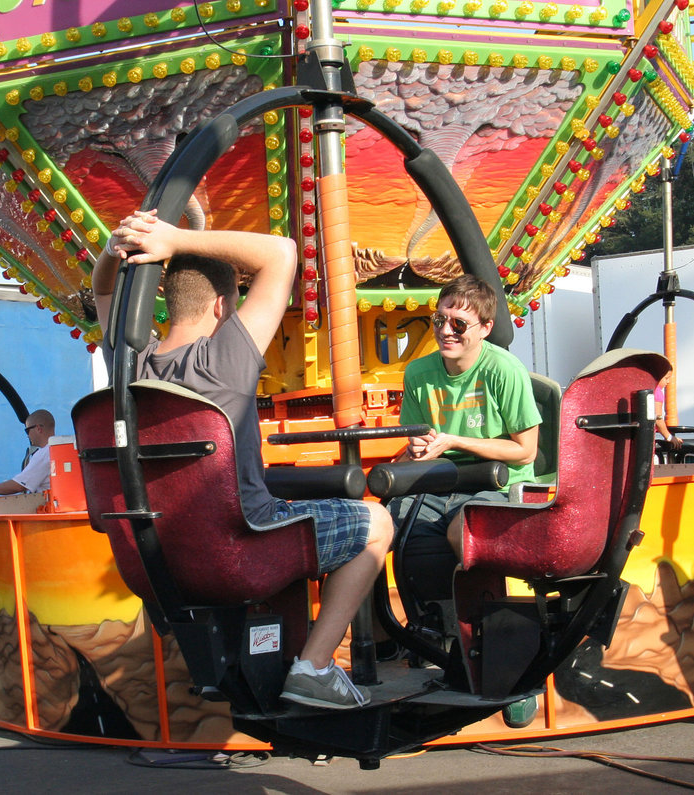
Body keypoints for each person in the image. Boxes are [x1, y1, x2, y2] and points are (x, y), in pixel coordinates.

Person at [95, 210, 393, 710]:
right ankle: (315, 667)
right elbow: (282, 253)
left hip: (157, 556)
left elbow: (103, 291)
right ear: (220, 307)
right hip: (240, 547)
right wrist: (178, 238)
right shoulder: (222, 361)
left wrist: (114, 249)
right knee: (376, 521)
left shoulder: (130, 364)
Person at [390, 274, 541, 604]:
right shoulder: (418, 373)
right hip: (437, 485)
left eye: (458, 324)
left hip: (498, 486)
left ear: (485, 328)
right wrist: (415, 449)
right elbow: (414, 441)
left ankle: (484, 625)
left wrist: (456, 441)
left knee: (463, 532)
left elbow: (526, 452)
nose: (445, 331)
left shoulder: (504, 370)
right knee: (374, 531)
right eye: (439, 320)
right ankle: (394, 639)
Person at [0, 410, 56, 497]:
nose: (28, 436)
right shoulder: (60, 450)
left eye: (27, 431)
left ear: (38, 429)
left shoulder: (44, 454)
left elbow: (19, 485)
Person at [655, 371, 682, 450]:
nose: (668, 381)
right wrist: (669, 437)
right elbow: (657, 418)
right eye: (666, 378)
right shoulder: (657, 392)